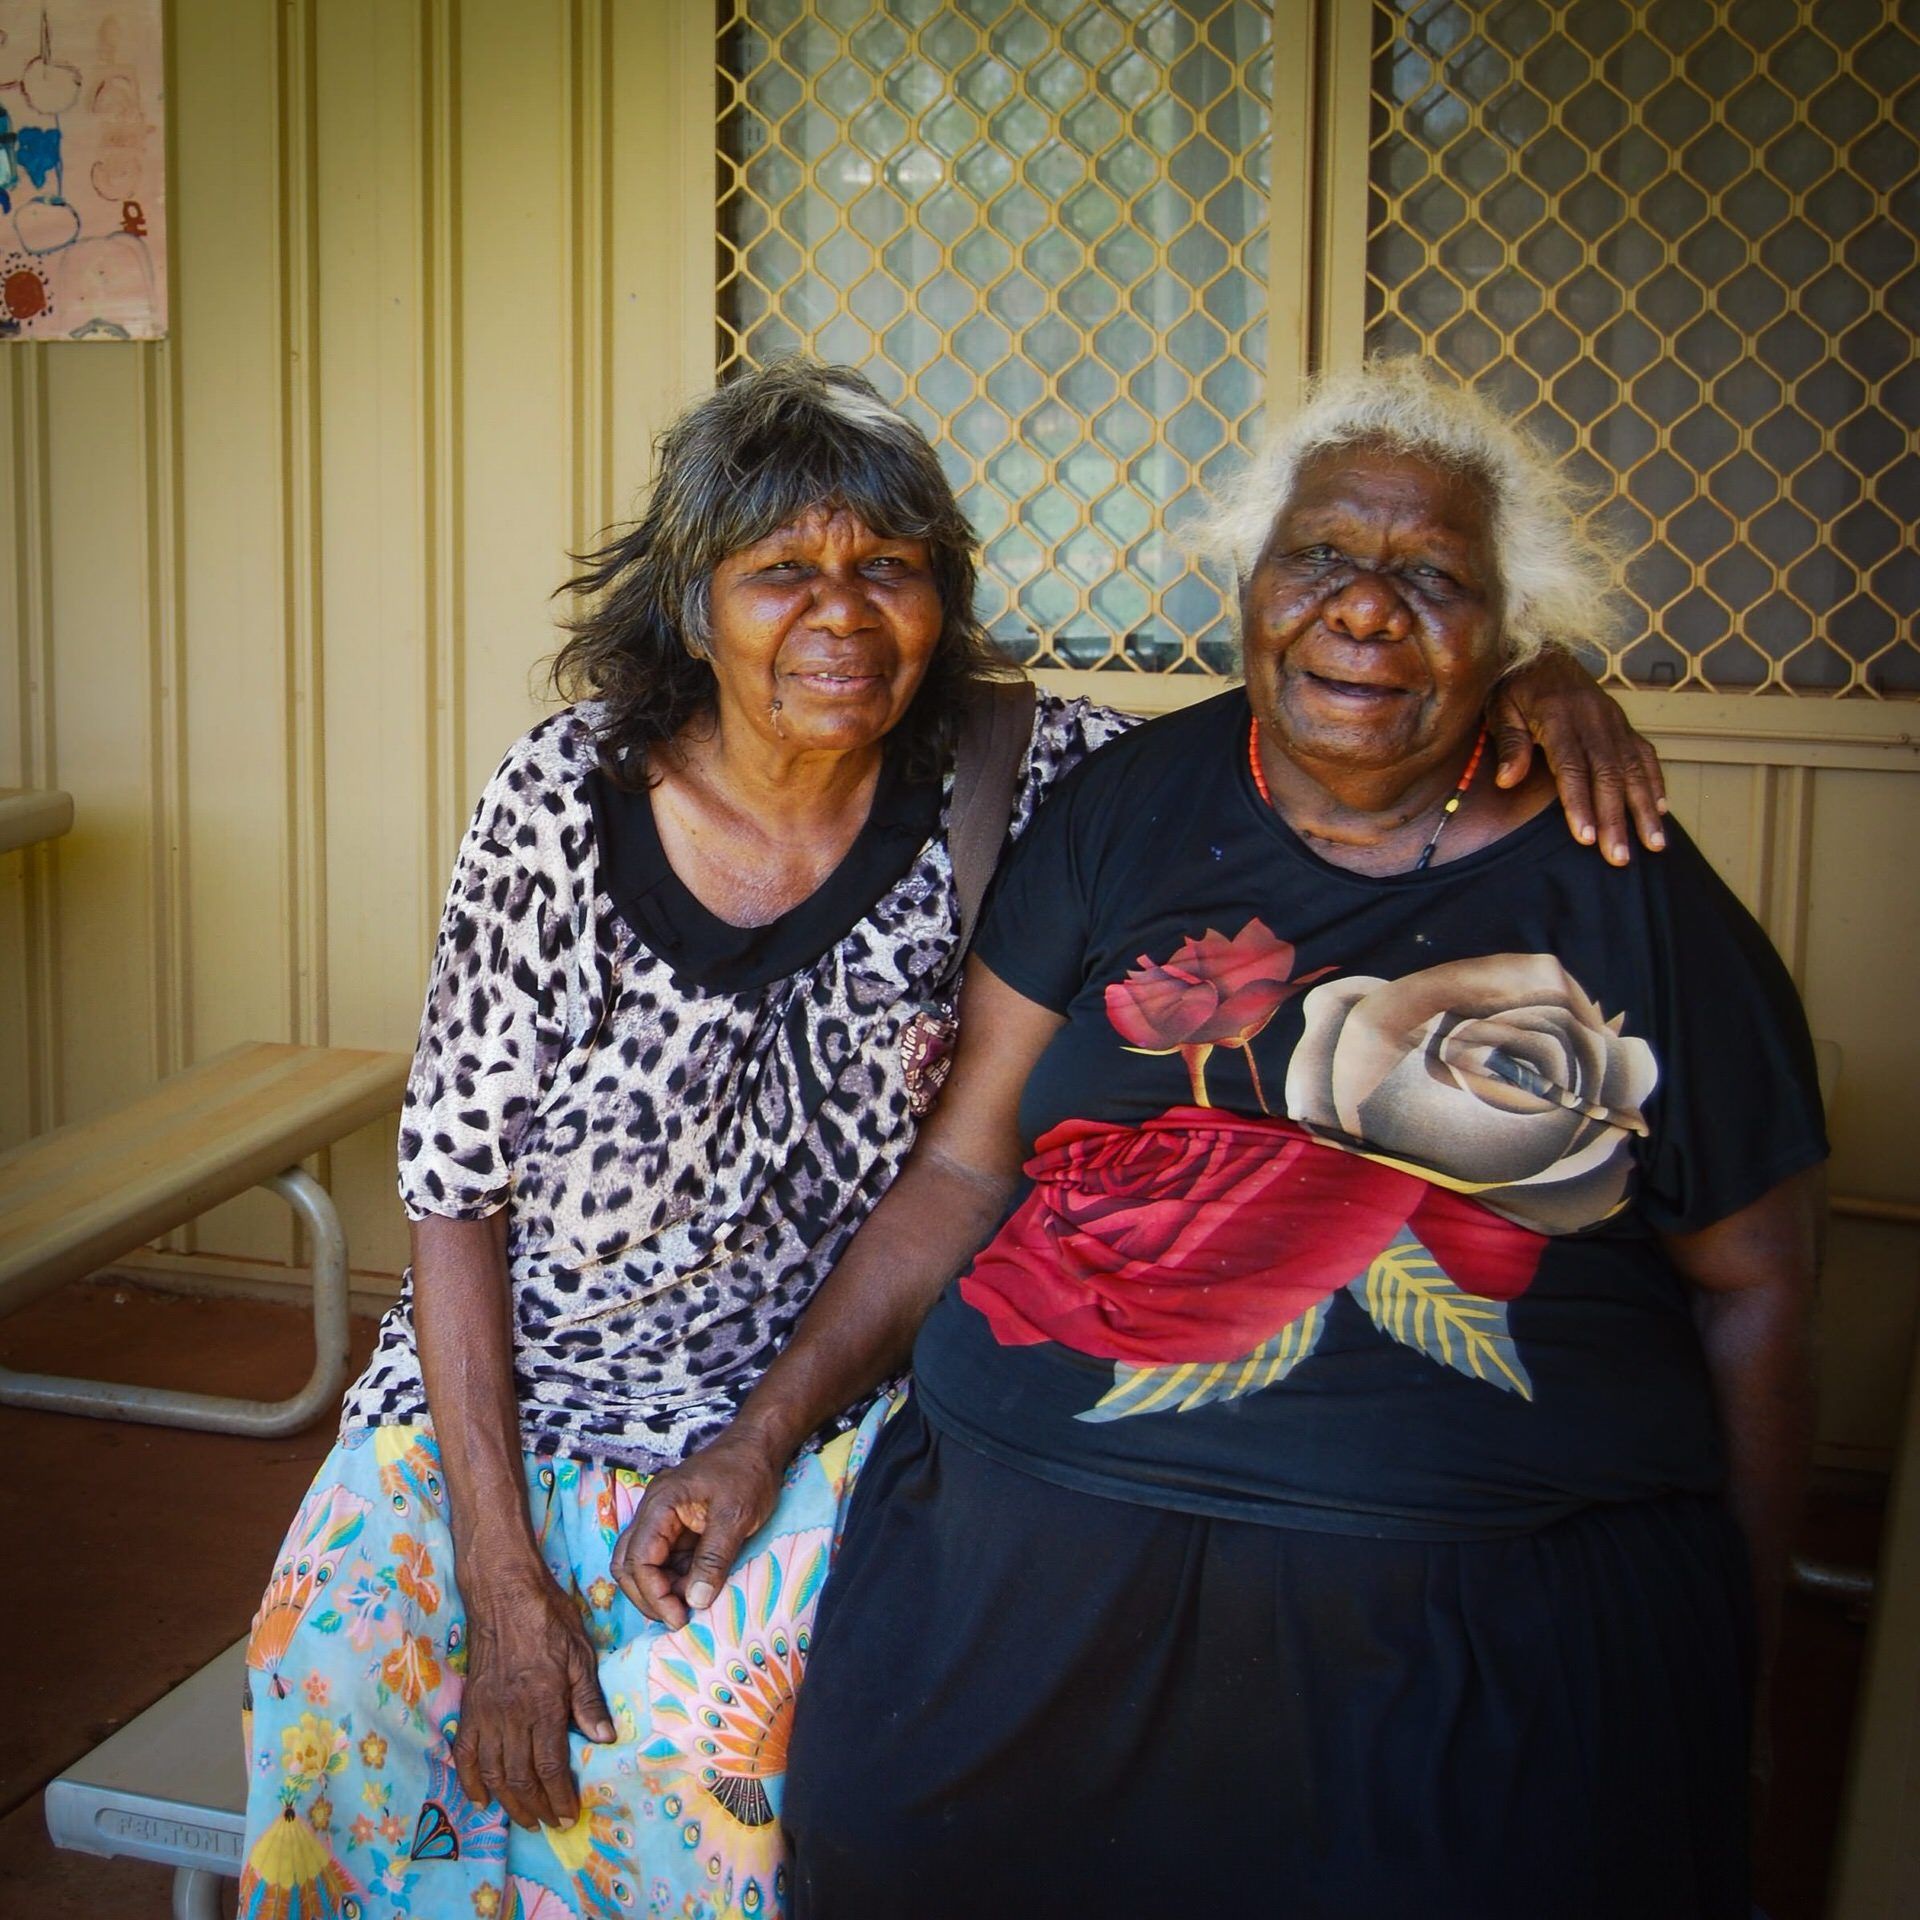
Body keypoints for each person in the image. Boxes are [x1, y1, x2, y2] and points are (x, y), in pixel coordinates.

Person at [238, 357, 1669, 1920]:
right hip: (512, 1391)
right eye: (781, 572)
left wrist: (1531, 680)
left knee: (718, 1758)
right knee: (340, 1696)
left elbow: (1318, 714)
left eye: (890, 571)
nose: (841, 616)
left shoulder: (1028, 773)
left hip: (824, 1406)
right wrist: (503, 1578)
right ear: (689, 599)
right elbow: (454, 1197)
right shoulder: (562, 801)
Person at [622, 359, 1826, 1920]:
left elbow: (1759, 1289)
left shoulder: (1626, 878)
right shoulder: (1124, 806)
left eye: (1433, 579)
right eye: (1321, 558)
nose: (1366, 611)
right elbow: (968, 1163)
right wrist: (756, 1432)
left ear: (1514, 631)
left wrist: (1745, 1661)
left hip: (1476, 1607)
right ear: (1251, 587)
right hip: (1023, 1579)